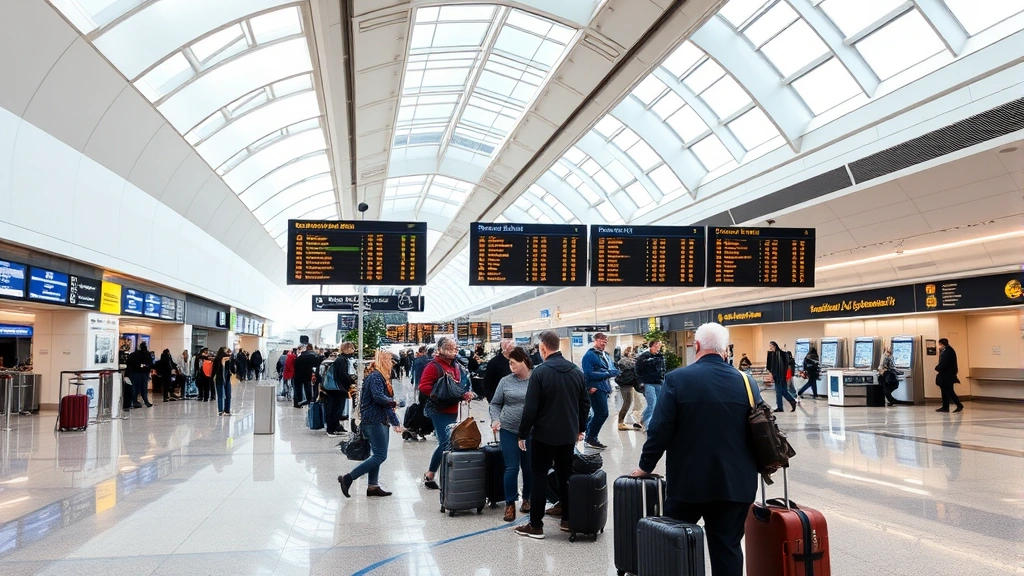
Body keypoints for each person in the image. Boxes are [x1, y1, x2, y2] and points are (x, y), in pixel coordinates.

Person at [630, 323, 762, 576]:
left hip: (689, 484)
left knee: (676, 544)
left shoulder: (677, 379)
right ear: (725, 351)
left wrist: (645, 466)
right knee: (728, 547)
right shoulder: (748, 383)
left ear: (697, 346)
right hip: (736, 484)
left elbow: (659, 430)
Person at [514, 330, 590, 540]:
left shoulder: (540, 373)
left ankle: (536, 525)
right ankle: (567, 520)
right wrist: (580, 428)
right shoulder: (576, 371)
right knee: (566, 476)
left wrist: (522, 433)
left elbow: (531, 408)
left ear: (543, 348)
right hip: (568, 436)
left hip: (543, 436)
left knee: (539, 477)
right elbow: (585, 404)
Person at [338, 349, 404, 498]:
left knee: (377, 454)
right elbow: (379, 398)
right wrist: (395, 402)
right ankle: (348, 478)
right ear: (384, 361)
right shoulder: (376, 377)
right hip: (374, 420)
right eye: (391, 361)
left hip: (379, 419)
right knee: (380, 455)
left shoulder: (380, 377)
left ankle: (373, 486)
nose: (392, 365)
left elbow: (384, 404)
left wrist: (395, 422)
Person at [418, 337, 473, 490]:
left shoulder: (455, 365)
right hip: (439, 410)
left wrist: (463, 394)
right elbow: (423, 386)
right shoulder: (433, 366)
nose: (453, 351)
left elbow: (455, 387)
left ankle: (432, 474)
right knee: (445, 442)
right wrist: (439, 395)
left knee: (447, 442)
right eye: (449, 348)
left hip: (452, 409)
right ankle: (435, 474)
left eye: (454, 348)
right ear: (440, 349)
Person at [489, 346, 534, 522]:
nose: (511, 366)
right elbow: (495, 404)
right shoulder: (505, 382)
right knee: (511, 467)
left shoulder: (536, 379)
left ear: (524, 361)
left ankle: (527, 499)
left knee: (528, 468)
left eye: (514, 363)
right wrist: (495, 419)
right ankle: (509, 504)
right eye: (509, 363)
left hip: (530, 431)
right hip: (508, 429)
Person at [581, 332, 619, 450]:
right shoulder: (589, 355)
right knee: (602, 413)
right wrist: (608, 373)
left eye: (605, 342)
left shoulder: (605, 355)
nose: (604, 343)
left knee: (597, 413)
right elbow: (588, 373)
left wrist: (613, 372)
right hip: (595, 387)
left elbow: (612, 368)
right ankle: (591, 437)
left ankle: (589, 435)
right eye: (601, 341)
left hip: (604, 387)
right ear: (595, 340)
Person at [326, 343, 357, 436]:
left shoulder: (340, 359)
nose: (353, 351)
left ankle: (336, 427)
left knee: (336, 408)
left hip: (335, 388)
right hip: (338, 388)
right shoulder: (342, 360)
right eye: (352, 348)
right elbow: (343, 375)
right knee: (335, 408)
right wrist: (351, 382)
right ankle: (331, 429)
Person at [636, 340, 667, 431]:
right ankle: (648, 425)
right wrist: (641, 382)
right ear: (651, 346)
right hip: (648, 382)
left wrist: (663, 379)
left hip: (658, 382)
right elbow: (638, 370)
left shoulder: (660, 356)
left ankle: (643, 419)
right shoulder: (644, 356)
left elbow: (662, 369)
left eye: (659, 345)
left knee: (657, 404)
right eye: (656, 345)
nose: (658, 347)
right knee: (652, 404)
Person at [766, 341, 797, 413]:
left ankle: (780, 407)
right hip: (779, 376)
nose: (770, 347)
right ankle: (792, 401)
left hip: (780, 376)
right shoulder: (772, 355)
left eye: (771, 346)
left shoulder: (781, 354)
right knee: (784, 391)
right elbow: (771, 366)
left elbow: (784, 365)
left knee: (779, 392)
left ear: (774, 346)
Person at [615, 346, 641, 430]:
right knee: (627, 403)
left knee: (628, 402)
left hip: (629, 384)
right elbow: (630, 368)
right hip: (626, 384)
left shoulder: (626, 361)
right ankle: (620, 423)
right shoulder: (624, 361)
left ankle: (621, 422)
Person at [935, 338, 963, 413]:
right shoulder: (948, 350)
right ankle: (945, 407)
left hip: (947, 375)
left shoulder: (948, 352)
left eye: (939, 344)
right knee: (945, 390)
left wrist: (937, 368)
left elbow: (944, 363)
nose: (939, 346)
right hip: (947, 375)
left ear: (942, 344)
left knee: (949, 391)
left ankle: (959, 405)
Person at [125, 342, 155, 408]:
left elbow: (128, 364)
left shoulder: (133, 355)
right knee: (144, 388)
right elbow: (150, 364)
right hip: (144, 373)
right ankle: (146, 401)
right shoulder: (147, 354)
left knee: (135, 388)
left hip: (134, 373)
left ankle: (135, 401)